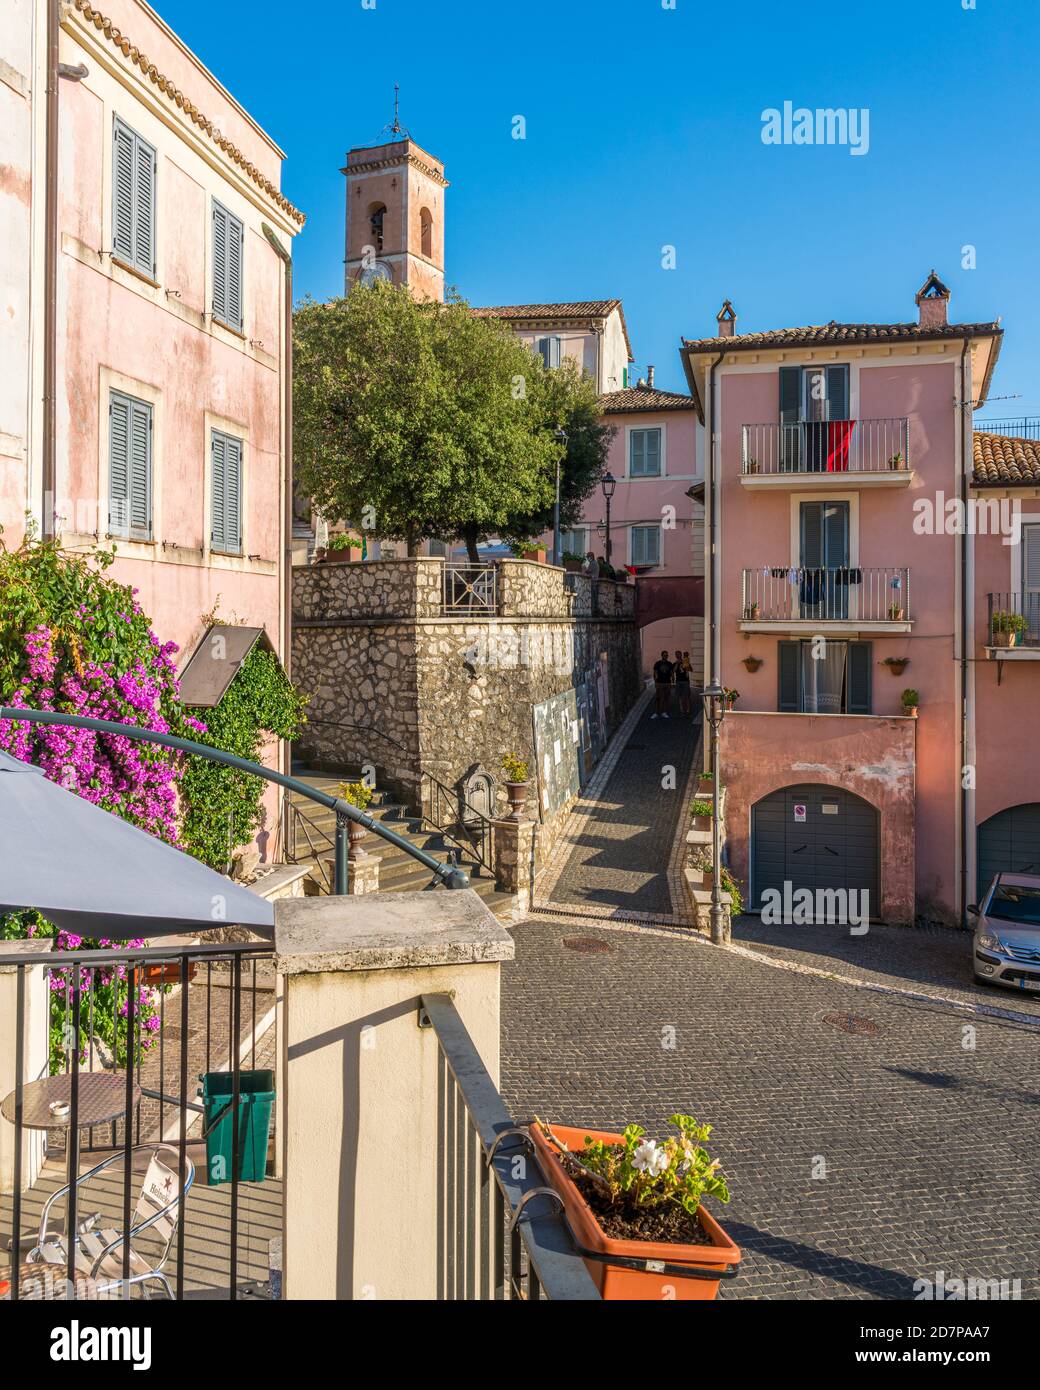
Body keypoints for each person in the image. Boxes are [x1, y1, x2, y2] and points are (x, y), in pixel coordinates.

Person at [651, 650, 674, 718]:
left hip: (667, 683)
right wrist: (655, 682)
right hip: (660, 682)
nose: (666, 656)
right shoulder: (657, 663)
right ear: (662, 656)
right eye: (664, 655)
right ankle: (656, 712)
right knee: (658, 698)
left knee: (666, 698)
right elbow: (655, 673)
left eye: (667, 655)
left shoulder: (670, 664)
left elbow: (671, 672)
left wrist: (673, 680)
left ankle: (664, 712)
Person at [675, 649, 692, 716]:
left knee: (687, 696)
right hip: (678, 681)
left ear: (681, 655)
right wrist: (677, 664)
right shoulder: (675, 663)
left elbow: (691, 669)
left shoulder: (686, 661)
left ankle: (688, 710)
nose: (678, 656)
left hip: (685, 681)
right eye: (676, 655)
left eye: (679, 654)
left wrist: (687, 666)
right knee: (679, 696)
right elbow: (673, 671)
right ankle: (681, 710)